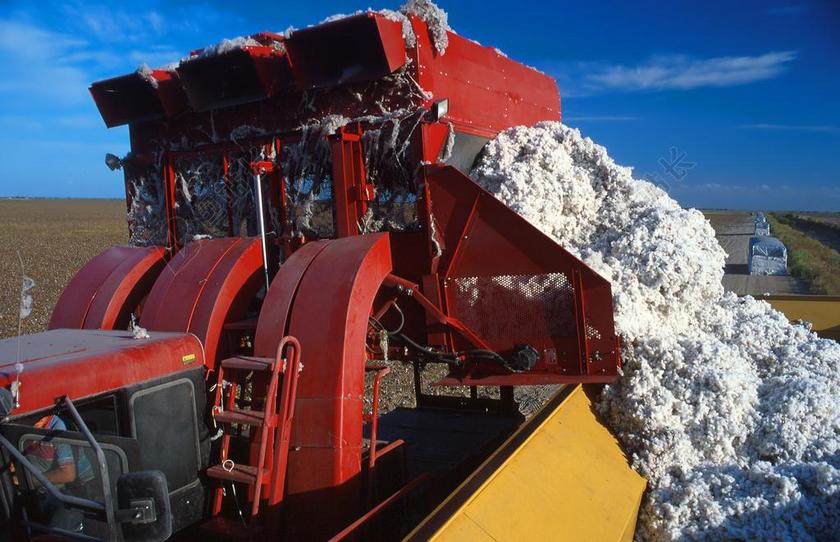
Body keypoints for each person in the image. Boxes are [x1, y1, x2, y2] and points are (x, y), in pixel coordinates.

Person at [23, 414, 95, 533]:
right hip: (33, 493)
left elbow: (68, 473)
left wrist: (29, 480)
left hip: (62, 495)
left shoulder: (57, 428)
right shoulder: (21, 425)